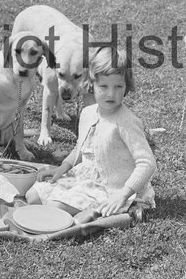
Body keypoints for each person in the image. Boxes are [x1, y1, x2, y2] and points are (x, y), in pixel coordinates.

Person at [27, 47, 156, 218]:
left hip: (114, 188)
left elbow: (147, 163)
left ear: (126, 86)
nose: (111, 93)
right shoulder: (88, 113)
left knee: (53, 207)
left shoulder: (127, 122)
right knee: (32, 196)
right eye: (103, 86)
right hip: (86, 178)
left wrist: (123, 193)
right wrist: (62, 169)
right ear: (90, 84)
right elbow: (80, 148)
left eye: (118, 86)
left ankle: (114, 209)